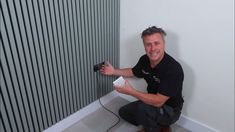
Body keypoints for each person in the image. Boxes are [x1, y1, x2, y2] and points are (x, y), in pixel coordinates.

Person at [100, 26, 184, 132]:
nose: (152, 48)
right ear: (144, 46)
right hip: (152, 102)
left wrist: (131, 92)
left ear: (164, 44)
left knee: (142, 108)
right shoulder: (144, 59)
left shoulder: (173, 69)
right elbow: (133, 72)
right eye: (148, 44)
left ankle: (155, 128)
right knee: (124, 112)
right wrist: (113, 71)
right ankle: (159, 125)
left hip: (170, 109)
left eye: (156, 43)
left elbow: (158, 101)